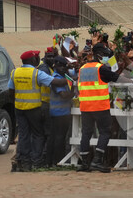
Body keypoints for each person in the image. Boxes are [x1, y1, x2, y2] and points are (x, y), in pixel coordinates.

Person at [9, 51, 64, 172]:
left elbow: (11, 90)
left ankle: (23, 162)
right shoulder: (36, 73)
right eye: (36, 57)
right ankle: (36, 162)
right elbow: (55, 82)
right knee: (37, 135)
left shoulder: (15, 72)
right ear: (32, 60)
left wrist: (18, 101)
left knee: (23, 135)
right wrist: (68, 80)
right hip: (34, 109)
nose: (38, 59)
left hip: (19, 108)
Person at [77, 43, 120, 173]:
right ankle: (97, 161)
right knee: (105, 132)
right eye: (105, 55)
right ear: (100, 55)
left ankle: (84, 163)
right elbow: (116, 76)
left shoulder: (82, 68)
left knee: (86, 133)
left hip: (85, 107)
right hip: (100, 106)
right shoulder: (101, 68)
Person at [46, 56, 76, 166]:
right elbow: (63, 95)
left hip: (63, 112)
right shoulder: (56, 78)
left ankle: (55, 161)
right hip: (59, 112)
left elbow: (75, 74)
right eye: (60, 66)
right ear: (55, 66)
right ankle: (57, 161)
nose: (63, 68)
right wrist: (73, 92)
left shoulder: (64, 75)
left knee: (59, 137)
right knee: (58, 138)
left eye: (64, 66)